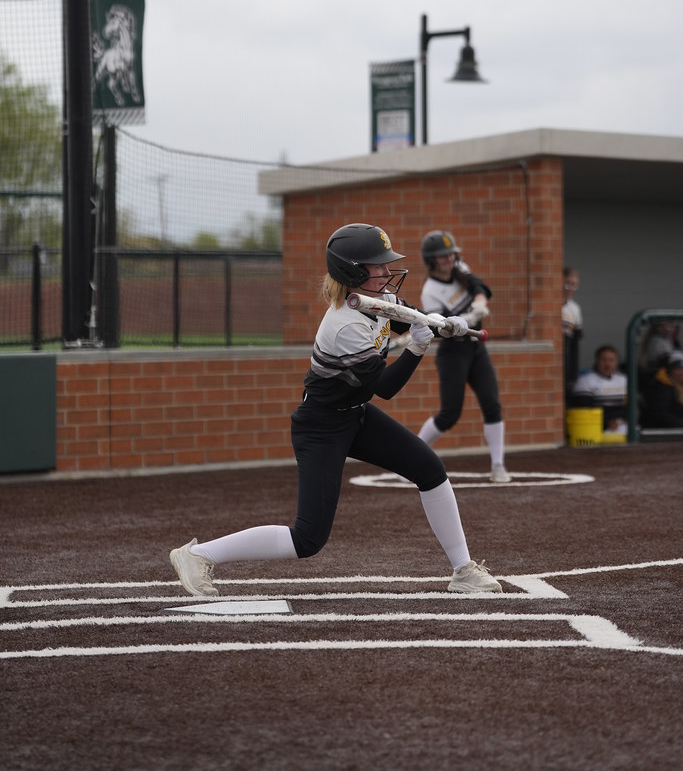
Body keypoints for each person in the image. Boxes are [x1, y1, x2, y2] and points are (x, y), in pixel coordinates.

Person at [170, 223, 503, 597]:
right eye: (377, 266)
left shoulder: (376, 300)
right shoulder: (344, 326)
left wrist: (444, 325)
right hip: (321, 426)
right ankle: (197, 555)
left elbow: (410, 317)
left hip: (355, 414)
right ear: (353, 271)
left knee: (430, 469)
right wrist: (417, 348)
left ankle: (463, 570)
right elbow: (386, 388)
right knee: (308, 538)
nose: (386, 271)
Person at [416, 230, 511, 484]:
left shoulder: (460, 268)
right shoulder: (431, 291)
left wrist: (479, 301)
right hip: (453, 351)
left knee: (492, 404)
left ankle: (498, 465)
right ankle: (413, 452)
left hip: (476, 347)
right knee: (450, 413)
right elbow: (441, 329)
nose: (448, 259)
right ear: (431, 260)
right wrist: (466, 319)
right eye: (441, 256)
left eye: (450, 253)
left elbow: (479, 286)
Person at [571, 345, 628, 433]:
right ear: (597, 361)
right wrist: (606, 423)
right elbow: (584, 412)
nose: (607, 364)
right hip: (596, 430)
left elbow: (632, 408)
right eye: (604, 360)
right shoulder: (585, 382)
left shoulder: (624, 380)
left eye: (611, 360)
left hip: (624, 427)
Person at [640, 350, 683, 429]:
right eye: (677, 368)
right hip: (662, 434)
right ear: (670, 370)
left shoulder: (679, 386)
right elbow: (661, 415)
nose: (681, 372)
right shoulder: (662, 387)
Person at [562, 267, 583, 398]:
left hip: (566, 356)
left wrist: (573, 374)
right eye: (567, 283)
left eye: (574, 285)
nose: (570, 288)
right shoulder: (547, 304)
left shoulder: (574, 309)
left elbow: (575, 342)